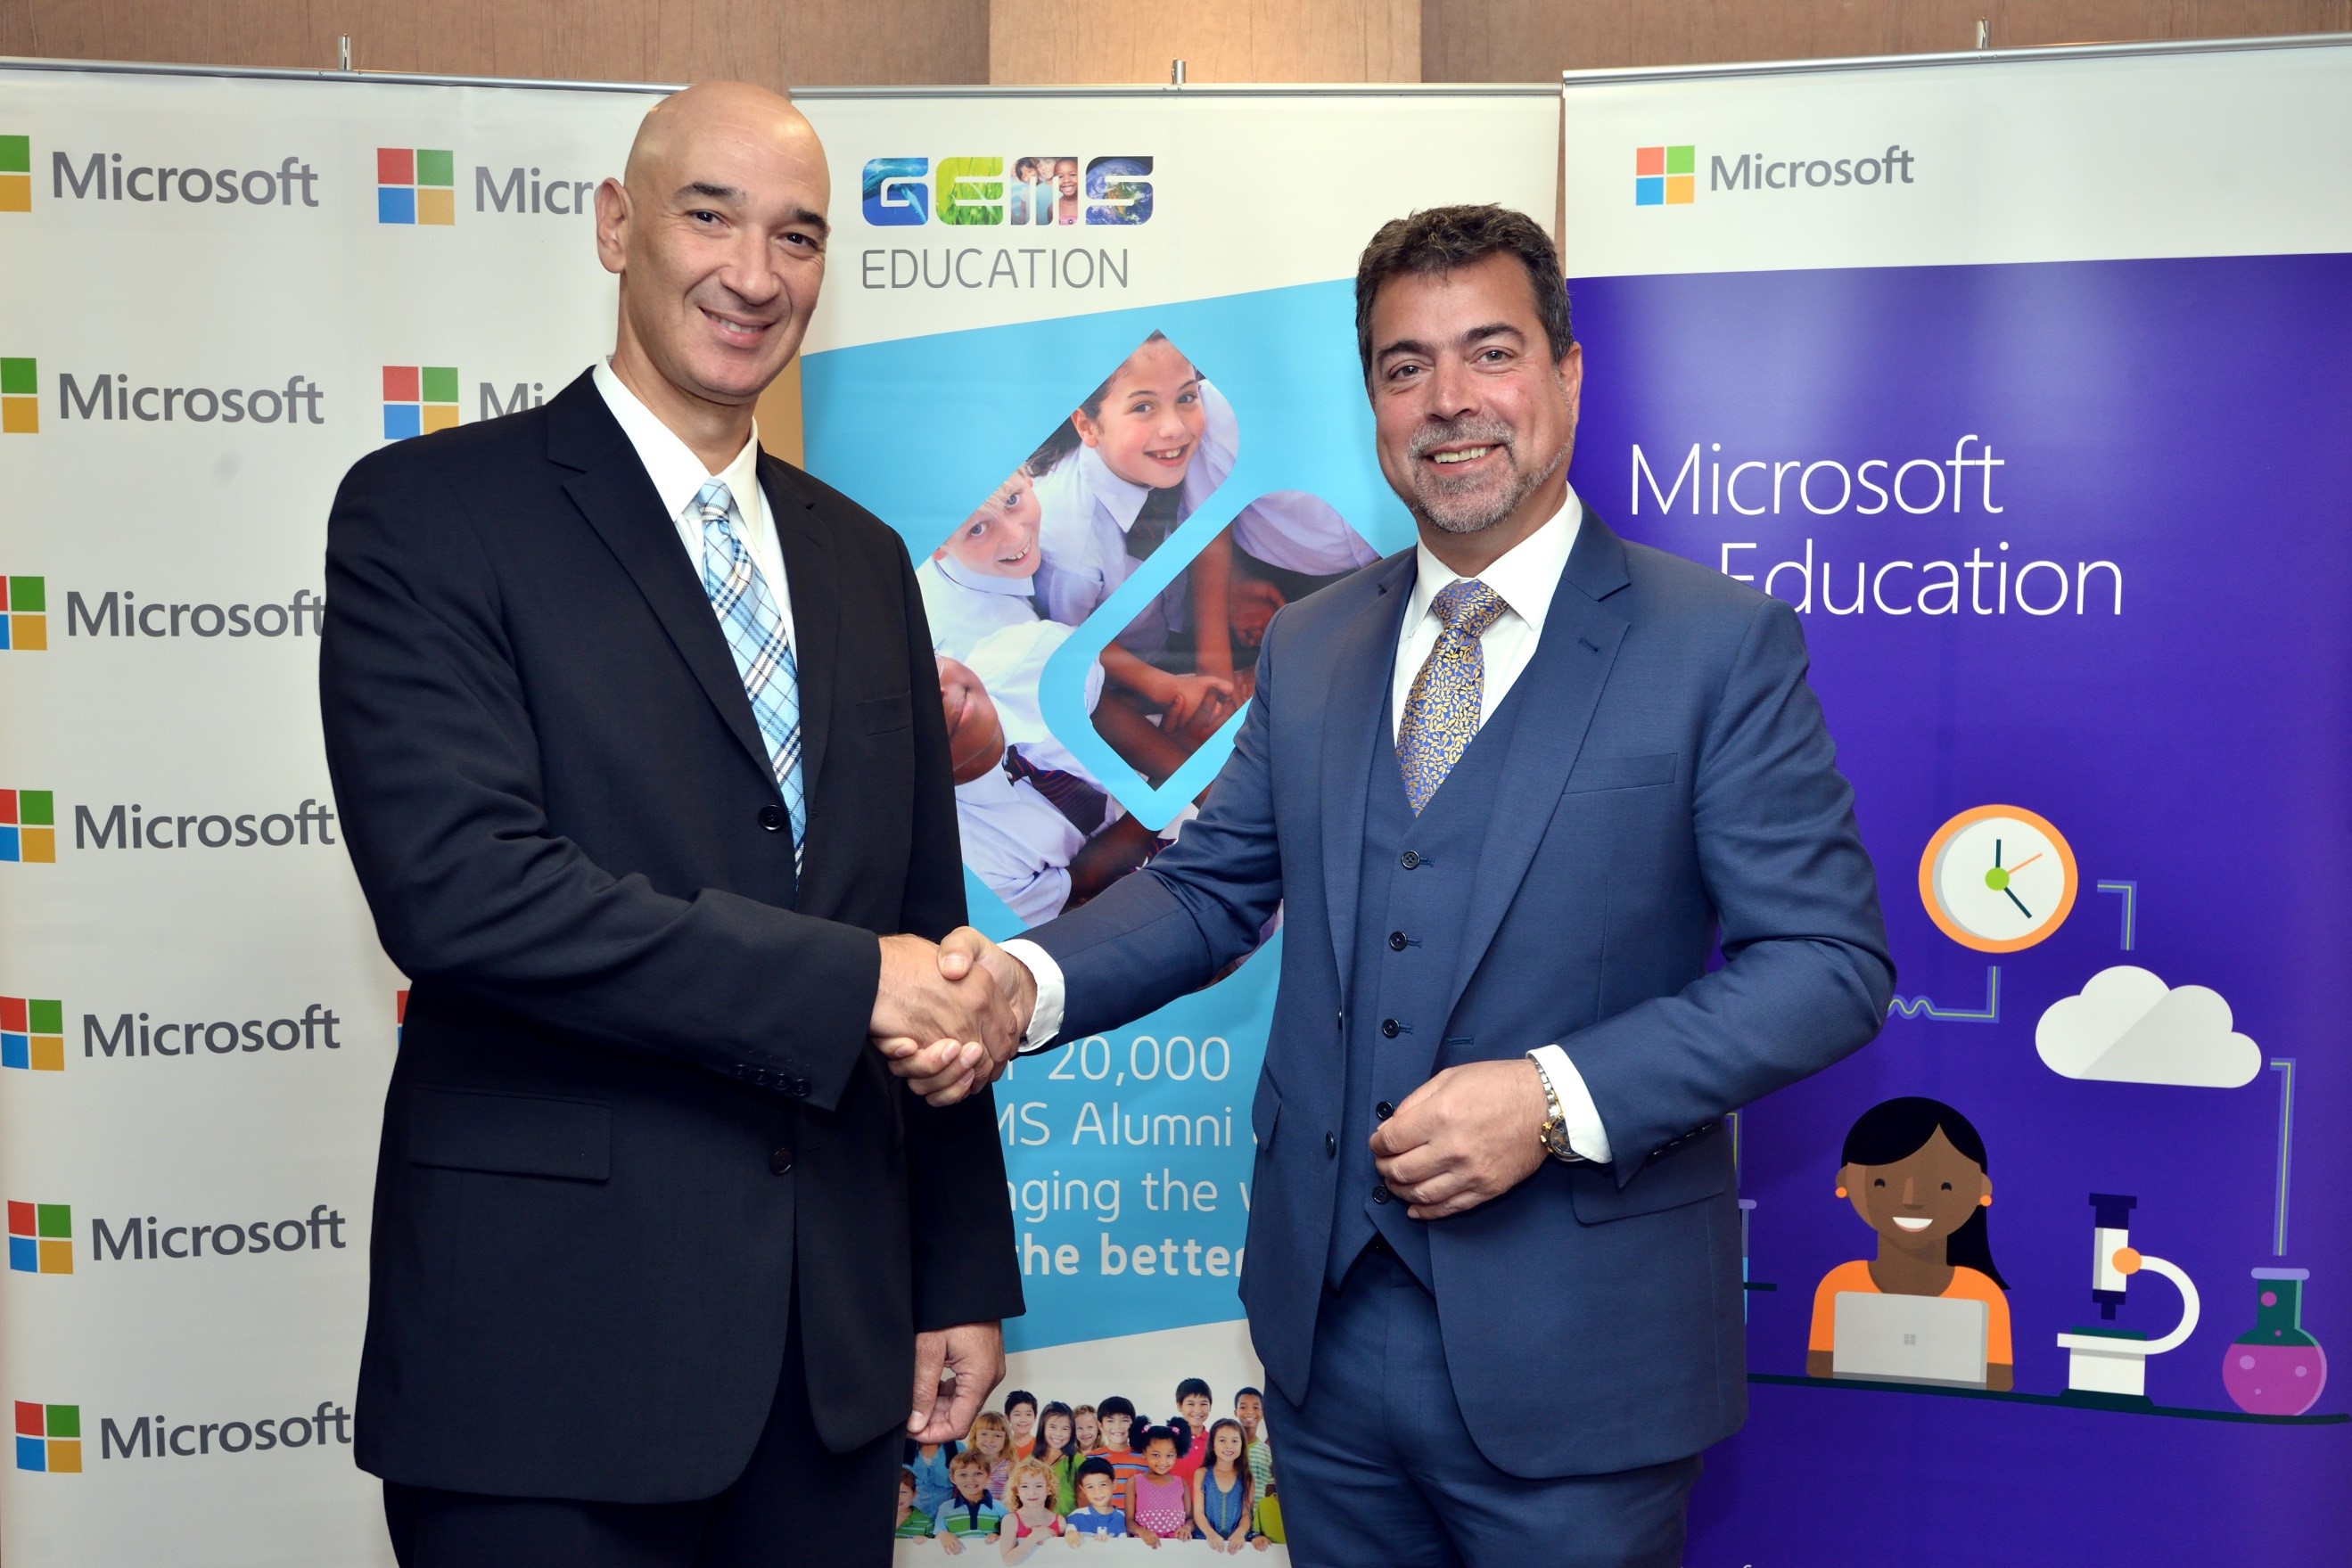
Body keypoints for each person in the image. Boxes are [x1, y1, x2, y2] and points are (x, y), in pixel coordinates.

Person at [914, 205, 1894, 1567]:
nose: (1448, 400)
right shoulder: (1312, 641)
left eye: (1489, 352)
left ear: (1565, 373)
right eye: (1403, 365)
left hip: (1578, 1362)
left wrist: (1550, 1096)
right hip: (1325, 1345)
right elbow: (1207, 890)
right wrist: (1019, 982)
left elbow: (1828, 966)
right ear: (1371, 397)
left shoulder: (1714, 644)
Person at [319, 82, 1027, 1568]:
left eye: (796, 236)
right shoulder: (432, 512)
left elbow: (926, 919)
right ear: (615, 225)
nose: (753, 274)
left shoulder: (863, 561)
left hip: (828, 1360)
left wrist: (957, 1263)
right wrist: (852, 982)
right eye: (710, 215)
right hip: (547, 1360)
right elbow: (463, 890)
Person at [1027, 334, 1240, 736]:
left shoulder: (1196, 442)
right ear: (1087, 425)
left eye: (1186, 398)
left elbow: (1210, 523)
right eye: (1143, 407)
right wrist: (1164, 688)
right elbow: (1074, 642)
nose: (1175, 428)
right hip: (1129, 682)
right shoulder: (1068, 544)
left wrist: (1216, 672)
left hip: (1189, 627)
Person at [938, 627, 1159, 924]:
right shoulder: (972, 863)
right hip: (1120, 889)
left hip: (1154, 779)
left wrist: (1169, 693)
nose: (936, 694)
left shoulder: (1028, 657)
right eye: (912, 715)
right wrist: (1172, 791)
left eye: (927, 665)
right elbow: (1077, 883)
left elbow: (1102, 696)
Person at [1807, 1097, 2013, 1391]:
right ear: (1844, 1182)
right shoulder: (1839, 1285)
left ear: (1982, 1190)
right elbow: (1819, 1370)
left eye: (1944, 1186)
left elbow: (1998, 1383)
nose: (1911, 1199)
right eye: (1882, 1182)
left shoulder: (1983, 1294)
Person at [917, 470, 1044, 661]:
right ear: (937, 548)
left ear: (1026, 477)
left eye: (1011, 500)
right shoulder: (1006, 645)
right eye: (977, 529)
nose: (1016, 537)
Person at [1190, 1418, 1254, 1555]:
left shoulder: (1247, 1478)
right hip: (1204, 1542)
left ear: (1242, 1445)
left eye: (1235, 1441)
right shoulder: (1202, 1474)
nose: (1229, 1446)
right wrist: (1210, 1534)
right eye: (1222, 1440)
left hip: (1235, 1545)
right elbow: (1198, 1512)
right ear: (1212, 1445)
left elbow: (1247, 1515)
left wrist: (1239, 1533)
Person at [996, 1459, 1074, 1560]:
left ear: (1049, 1489)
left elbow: (1065, 1556)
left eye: (1039, 1486)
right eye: (1024, 1486)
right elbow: (1008, 1560)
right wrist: (1034, 1537)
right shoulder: (1010, 1520)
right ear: (1016, 1491)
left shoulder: (1060, 1521)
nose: (1032, 1492)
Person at [1125, 1428, 1191, 1547]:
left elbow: (1190, 1518)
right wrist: (1142, 1531)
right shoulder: (1134, 1482)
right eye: (1155, 1455)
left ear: (1176, 1455)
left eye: (1169, 1455)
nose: (1162, 1461)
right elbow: (1129, 1521)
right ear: (1144, 1453)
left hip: (1177, 1546)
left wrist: (1187, 1528)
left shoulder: (1181, 1483)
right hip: (1145, 1546)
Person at [935, 1450, 1007, 1555]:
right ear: (952, 1478)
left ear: (988, 1476)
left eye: (978, 1474)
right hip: (957, 1559)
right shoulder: (945, 1508)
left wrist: (998, 1537)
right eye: (963, 1475)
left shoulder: (1001, 1507)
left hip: (989, 1558)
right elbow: (938, 1533)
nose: (971, 1479)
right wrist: (943, 1535)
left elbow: (1010, 1536)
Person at [1233, 1389, 1279, 1546]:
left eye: (1255, 1407)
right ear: (1235, 1412)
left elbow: (1270, 1492)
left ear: (1263, 1412)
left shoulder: (1268, 1453)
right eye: (1243, 1407)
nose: (1249, 1412)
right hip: (1233, 1525)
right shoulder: (1228, 1450)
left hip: (1259, 1528)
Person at [1065, 1458, 1129, 1539]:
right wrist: (1070, 1535)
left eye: (1103, 1485)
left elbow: (1125, 1544)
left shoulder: (1123, 1518)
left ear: (1114, 1484)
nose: (1097, 1492)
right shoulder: (1076, 1517)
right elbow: (1068, 1538)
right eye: (1090, 1487)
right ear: (1083, 1490)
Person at [1035, 1402, 1082, 1513]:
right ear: (1043, 1427)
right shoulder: (1031, 1460)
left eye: (1065, 1429)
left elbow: (1084, 1502)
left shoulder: (1077, 1461)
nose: (1058, 1433)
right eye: (1053, 1427)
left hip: (1069, 1522)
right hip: (1036, 1521)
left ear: (1072, 1431)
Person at [1167, 1379, 1213, 1482]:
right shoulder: (1169, 1439)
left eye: (1203, 1404)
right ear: (1179, 1406)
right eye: (1191, 1404)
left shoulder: (1215, 1441)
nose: (1197, 1410)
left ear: (1210, 1406)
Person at [966, 1409, 1016, 1502]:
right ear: (975, 1436)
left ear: (1006, 1439)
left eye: (997, 1436)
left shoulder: (1010, 1467)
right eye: (984, 1434)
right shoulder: (968, 1465)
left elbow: (1017, 1498)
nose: (990, 1440)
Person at [895, 1469, 936, 1539]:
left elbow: (933, 1544)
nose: (897, 1497)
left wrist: (927, 1541)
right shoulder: (876, 1518)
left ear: (914, 1494)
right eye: (891, 1492)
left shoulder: (926, 1522)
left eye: (903, 1492)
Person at [1004, 1390, 1040, 1463]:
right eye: (1017, 1414)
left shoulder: (1041, 1446)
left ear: (1035, 1417)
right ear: (1007, 1418)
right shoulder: (1002, 1447)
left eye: (1028, 1414)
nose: (1023, 1420)